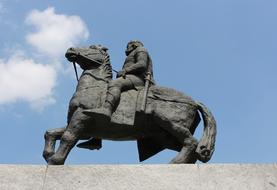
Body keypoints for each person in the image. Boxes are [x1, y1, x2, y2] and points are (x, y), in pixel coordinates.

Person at [83, 40, 154, 120]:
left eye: (128, 46)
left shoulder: (141, 49)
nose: (127, 48)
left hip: (139, 78)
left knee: (115, 83)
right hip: (133, 77)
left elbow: (142, 64)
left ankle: (107, 109)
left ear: (134, 45)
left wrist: (125, 70)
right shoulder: (133, 53)